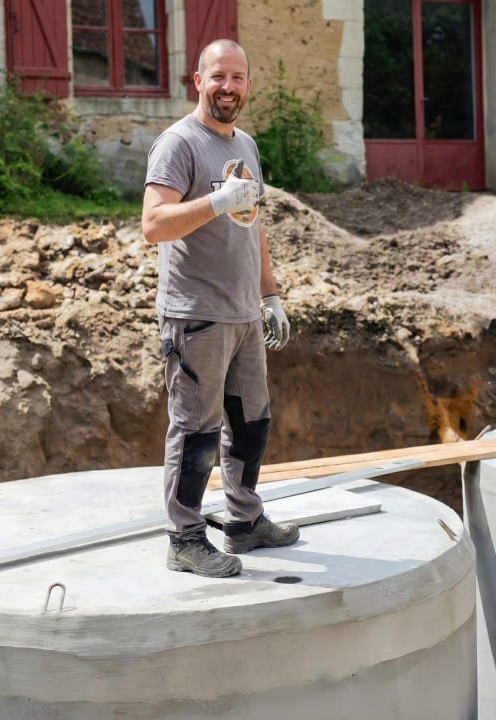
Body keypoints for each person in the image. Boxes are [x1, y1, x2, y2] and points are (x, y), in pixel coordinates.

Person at [140, 39, 299, 578]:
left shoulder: (247, 146)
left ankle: (244, 522)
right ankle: (184, 538)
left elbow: (253, 228)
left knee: (250, 423)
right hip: (196, 315)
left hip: (244, 315)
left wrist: (270, 294)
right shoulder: (178, 144)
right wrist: (215, 201)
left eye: (236, 78)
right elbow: (153, 225)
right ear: (197, 81)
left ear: (248, 85)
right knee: (196, 431)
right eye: (217, 77)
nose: (227, 87)